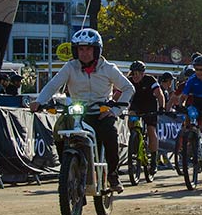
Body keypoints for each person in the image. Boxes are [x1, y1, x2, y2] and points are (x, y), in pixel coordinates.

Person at [30, 28, 134, 194]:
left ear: (97, 50)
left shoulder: (108, 68)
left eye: (88, 49)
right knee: (59, 130)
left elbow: (129, 88)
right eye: (80, 49)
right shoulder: (70, 67)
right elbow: (52, 85)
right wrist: (39, 101)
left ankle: (113, 175)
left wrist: (115, 110)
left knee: (110, 133)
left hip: (102, 113)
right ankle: (67, 169)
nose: (84, 53)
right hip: (77, 113)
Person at [127, 60, 165, 172]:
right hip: (136, 106)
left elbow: (159, 94)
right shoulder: (129, 81)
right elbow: (118, 93)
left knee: (150, 130)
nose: (135, 76)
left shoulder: (150, 80)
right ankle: (134, 141)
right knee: (131, 120)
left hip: (150, 107)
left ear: (143, 73)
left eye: (138, 73)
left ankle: (154, 160)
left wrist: (162, 107)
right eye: (133, 73)